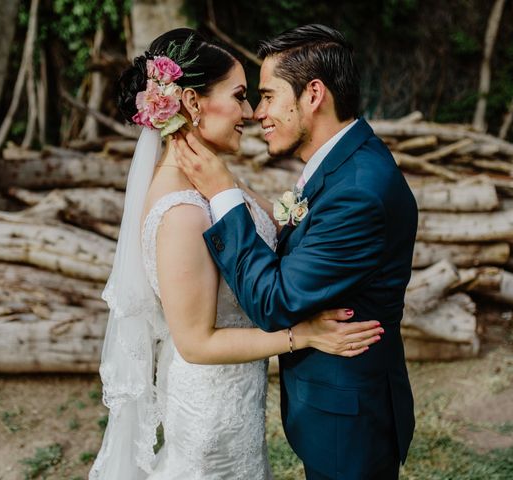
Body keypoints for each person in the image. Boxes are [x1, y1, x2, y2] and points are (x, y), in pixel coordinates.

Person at [89, 28, 384, 480]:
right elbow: (195, 342)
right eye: (241, 95)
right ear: (191, 102)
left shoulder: (216, 183)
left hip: (239, 402)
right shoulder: (182, 213)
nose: (250, 112)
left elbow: (275, 235)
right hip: (209, 411)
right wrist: (301, 336)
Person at [175, 24, 418, 480]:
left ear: (312, 94)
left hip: (350, 423)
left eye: (267, 96)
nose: (258, 112)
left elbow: (276, 301)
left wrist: (225, 193)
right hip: (334, 408)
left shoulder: (359, 190)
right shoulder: (345, 163)